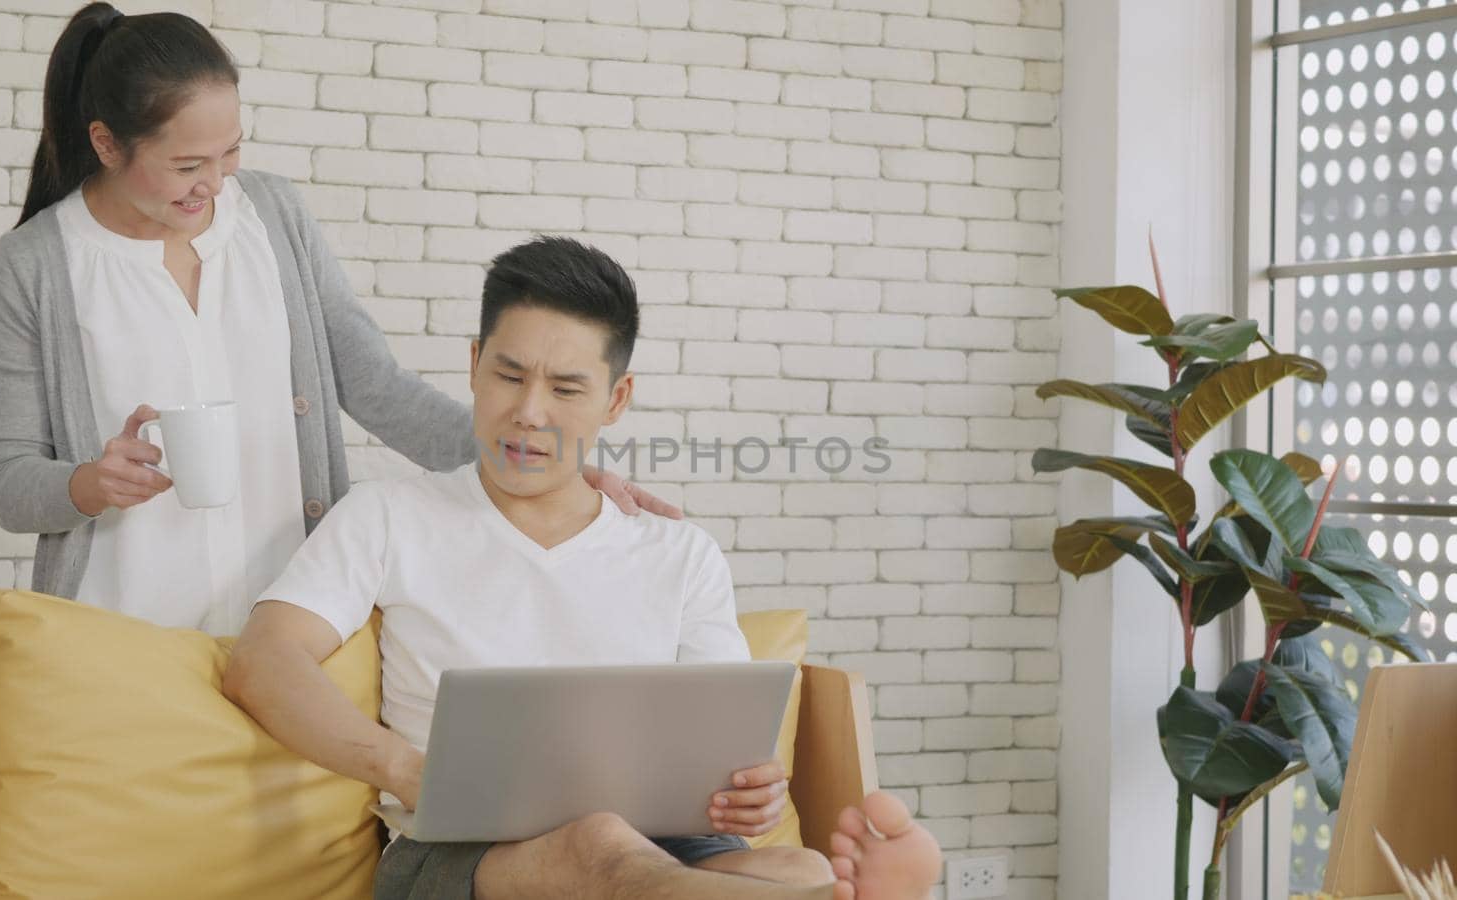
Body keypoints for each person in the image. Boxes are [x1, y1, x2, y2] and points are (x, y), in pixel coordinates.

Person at [222, 237, 942, 900]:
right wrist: (410, 771)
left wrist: (748, 792)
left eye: (566, 389)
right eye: (508, 376)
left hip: (673, 843)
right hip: (463, 853)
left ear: (615, 400)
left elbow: (724, 752)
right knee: (601, 844)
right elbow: (263, 661)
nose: (528, 413)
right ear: (473, 366)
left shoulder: (677, 552)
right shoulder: (388, 517)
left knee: (795, 863)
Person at [0, 4, 672, 634]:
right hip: (117, 634)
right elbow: (9, 480)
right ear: (106, 143)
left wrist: (549, 469)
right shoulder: (34, 265)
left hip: (290, 625)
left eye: (232, 152)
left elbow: (374, 384)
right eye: (188, 163)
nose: (216, 183)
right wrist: (88, 484)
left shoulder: (272, 217)